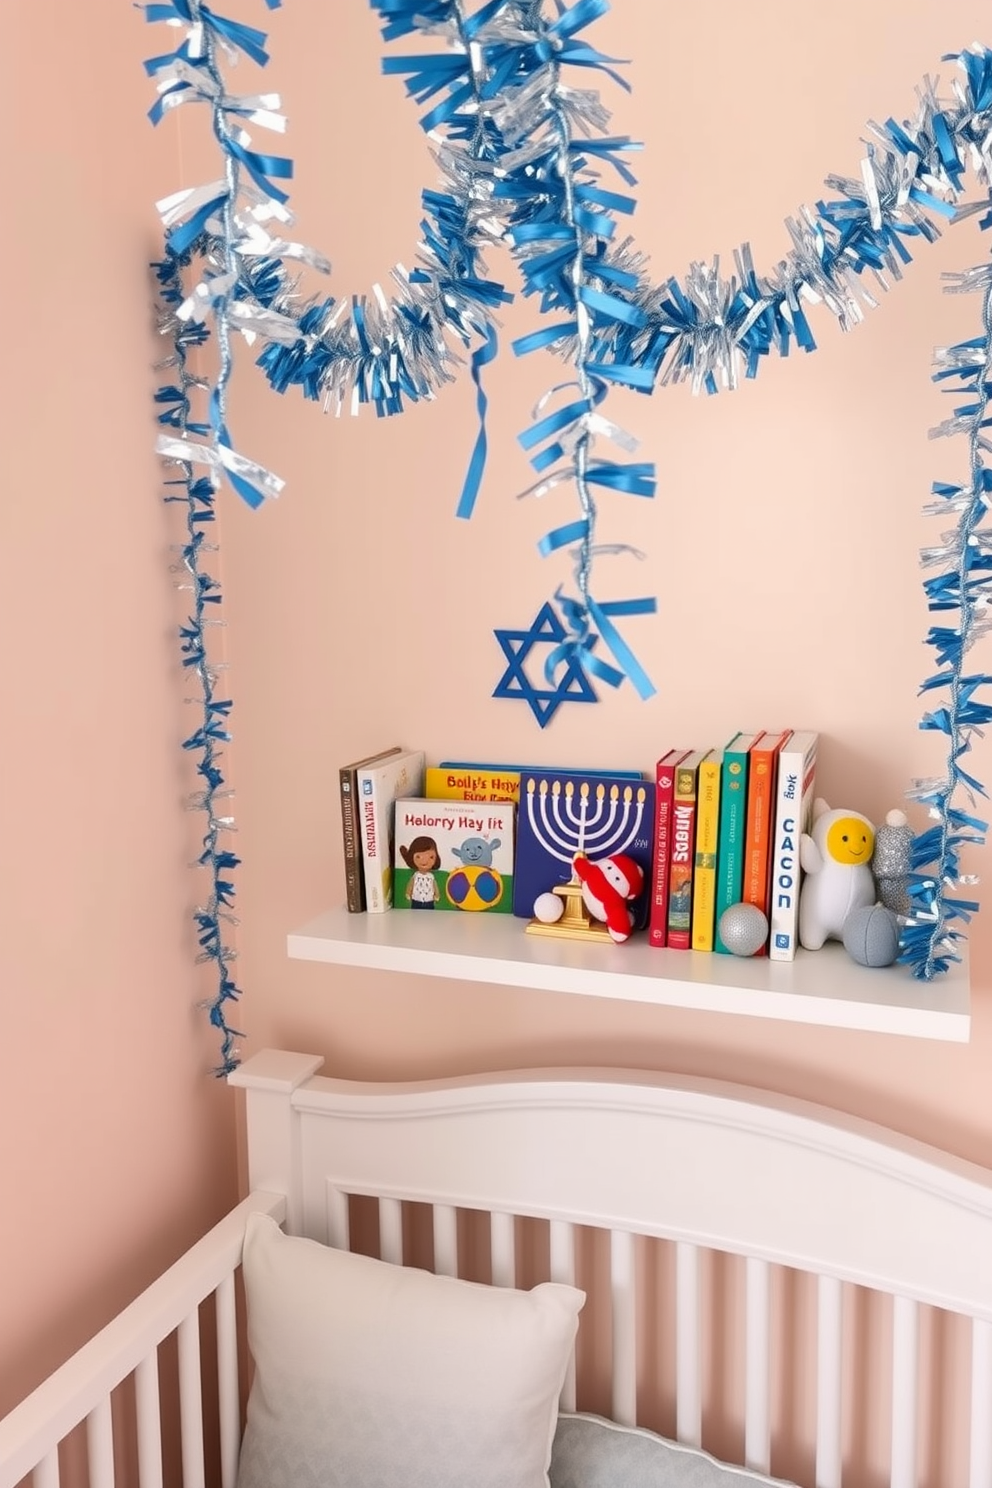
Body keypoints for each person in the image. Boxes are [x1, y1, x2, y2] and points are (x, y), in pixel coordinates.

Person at [400, 836, 441, 908]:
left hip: (429, 900)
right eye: (418, 857)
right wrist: (408, 893)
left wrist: (437, 895)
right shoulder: (415, 875)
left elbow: (435, 886)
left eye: (431, 857)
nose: (424, 861)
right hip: (416, 899)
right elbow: (410, 885)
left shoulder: (431, 876)